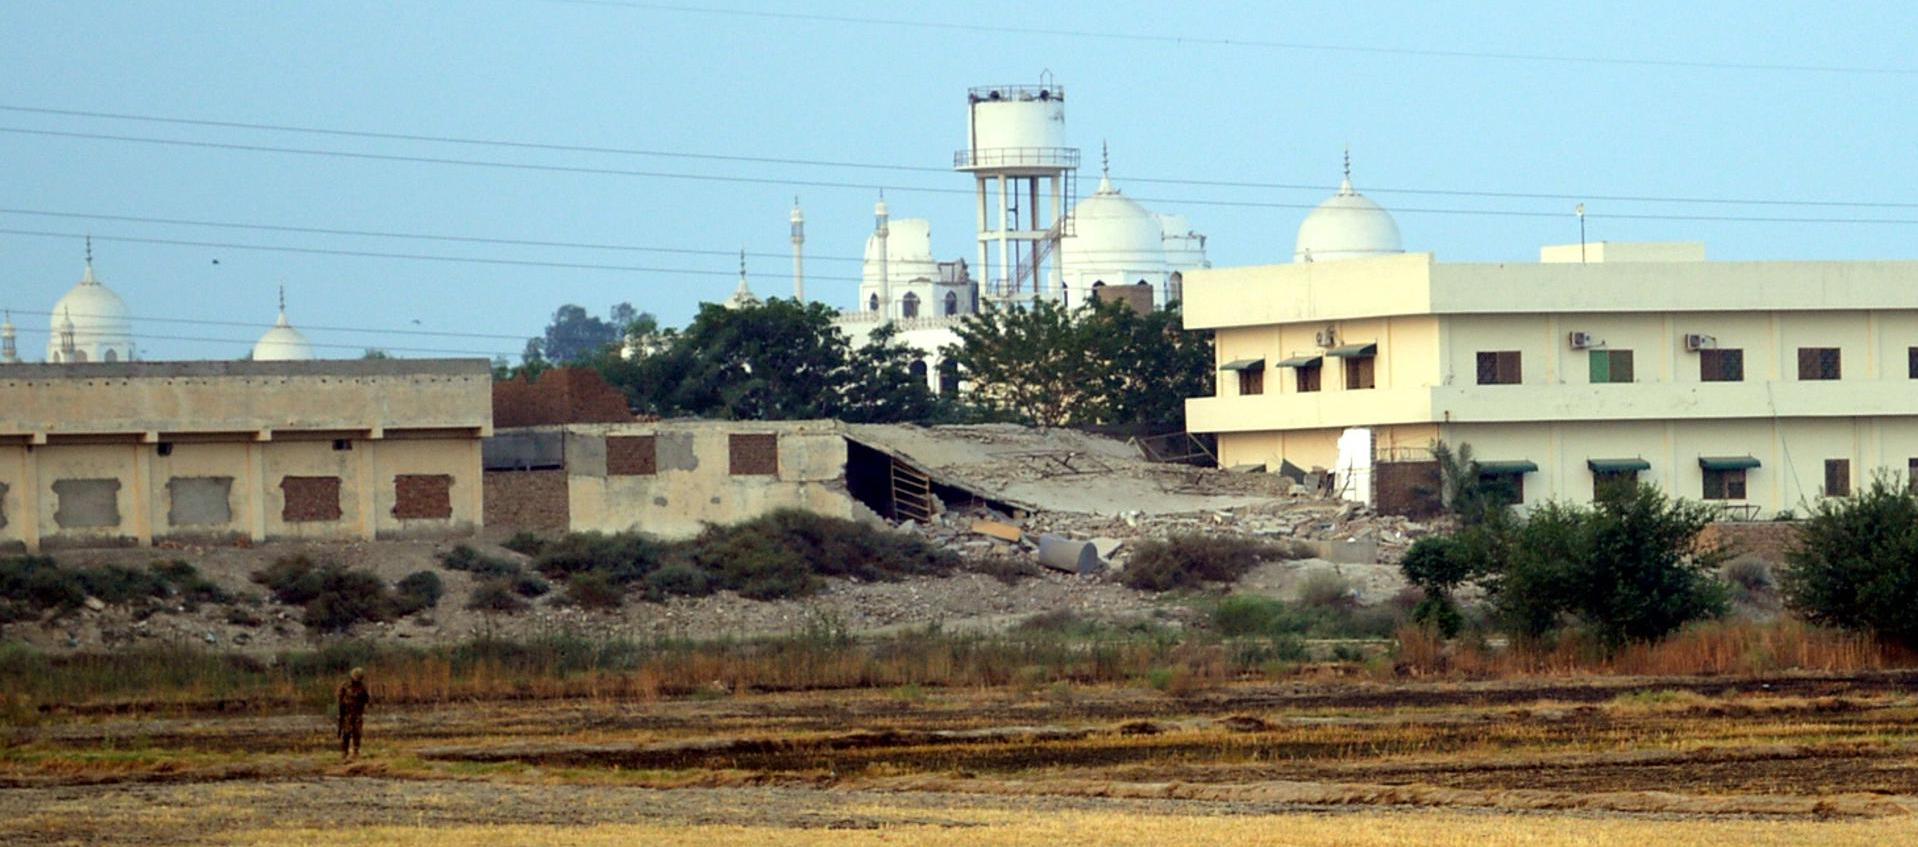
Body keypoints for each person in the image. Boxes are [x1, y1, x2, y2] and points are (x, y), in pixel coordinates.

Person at [336, 667, 370, 761]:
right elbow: (339, 698)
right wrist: (341, 711)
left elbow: (366, 699)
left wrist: (362, 706)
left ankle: (356, 751)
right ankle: (344, 752)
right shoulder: (345, 685)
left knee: (357, 733)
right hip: (347, 713)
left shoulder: (362, 687)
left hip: (357, 713)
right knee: (346, 733)